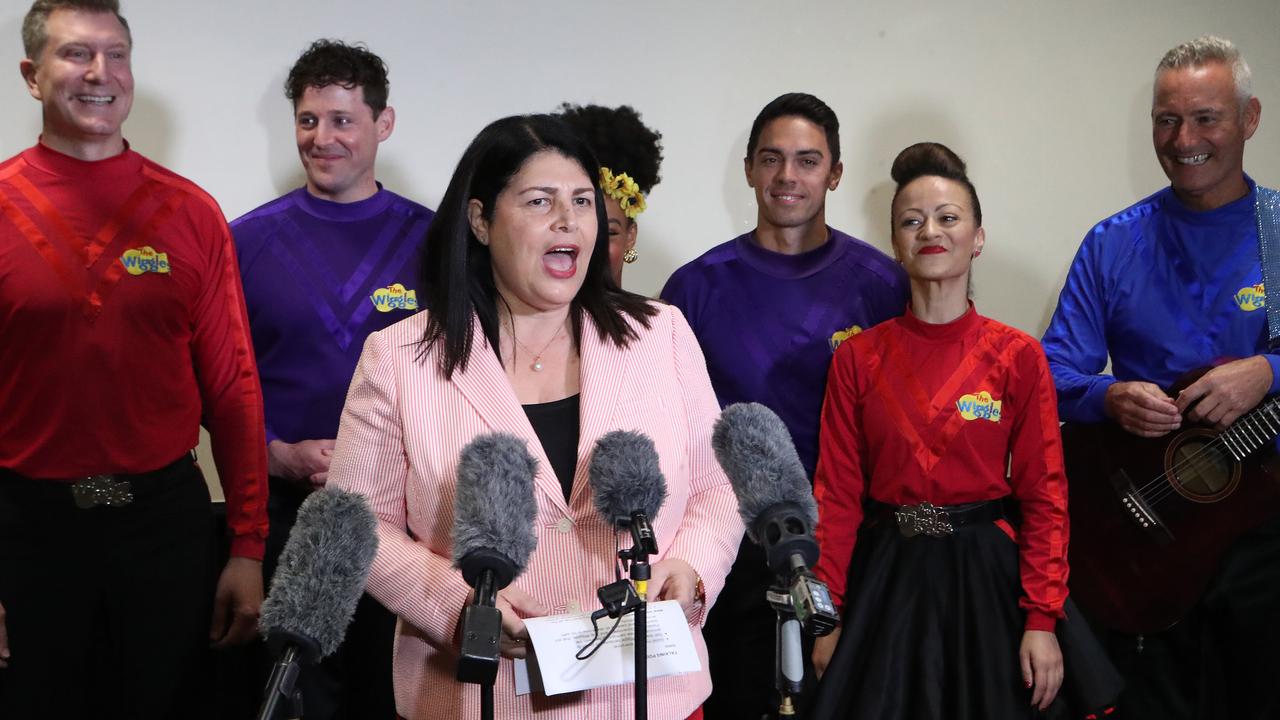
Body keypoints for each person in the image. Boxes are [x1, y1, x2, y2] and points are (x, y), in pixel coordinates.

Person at [326, 114, 743, 719]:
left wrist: (692, 572)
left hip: (646, 694)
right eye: (539, 201)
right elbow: (360, 525)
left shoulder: (661, 335)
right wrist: (461, 608)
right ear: (480, 220)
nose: (567, 220)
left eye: (581, 201)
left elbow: (717, 488)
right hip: (480, 693)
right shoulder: (398, 359)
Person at [0, 1, 268, 717]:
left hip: (163, 529)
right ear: (32, 75)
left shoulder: (190, 212)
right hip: (27, 530)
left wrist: (246, 545)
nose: (100, 73)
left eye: (116, 54)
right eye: (75, 54)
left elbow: (234, 389)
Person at [809, 142, 1119, 719]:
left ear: (977, 237)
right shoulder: (857, 359)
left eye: (948, 218)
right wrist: (827, 617)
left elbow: (1045, 494)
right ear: (896, 244)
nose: (931, 230)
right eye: (911, 220)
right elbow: (836, 498)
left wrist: (1042, 619)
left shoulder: (1019, 356)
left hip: (989, 582)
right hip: (887, 580)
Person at [1041, 35, 1278, 719]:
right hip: (1151, 538)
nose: (1184, 139)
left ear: (1250, 118)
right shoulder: (1112, 242)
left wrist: (1267, 370)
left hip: (1268, 544)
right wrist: (1107, 395)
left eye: (1207, 117)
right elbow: (1052, 373)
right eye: (1166, 120)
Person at [660, 92, 906, 719]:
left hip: (848, 545)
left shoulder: (880, 284)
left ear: (836, 172)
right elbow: (672, 428)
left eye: (807, 160)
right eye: (772, 159)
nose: (788, 177)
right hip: (731, 551)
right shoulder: (694, 287)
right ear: (748, 168)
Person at [231, 39, 433, 719]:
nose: (323, 138)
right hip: (285, 517)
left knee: (392, 697)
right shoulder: (245, 241)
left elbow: (462, 379)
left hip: (403, 526)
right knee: (297, 702)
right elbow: (219, 381)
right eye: (309, 120)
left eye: (343, 120)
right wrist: (274, 453)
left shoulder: (436, 244)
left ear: (384, 123)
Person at [557, 103, 663, 285]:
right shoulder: (531, 313)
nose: (595, 245)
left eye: (609, 233)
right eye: (580, 230)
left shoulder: (662, 314)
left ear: (630, 236)